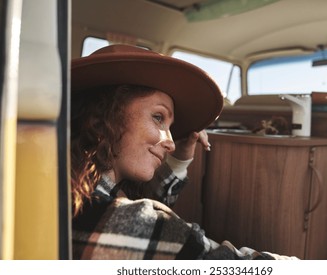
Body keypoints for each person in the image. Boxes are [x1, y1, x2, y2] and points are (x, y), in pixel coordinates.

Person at [71, 44, 297, 260]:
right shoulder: (125, 219)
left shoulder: (70, 193)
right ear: (101, 120)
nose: (170, 142)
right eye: (158, 117)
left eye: (170, 127)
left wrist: (179, 161)